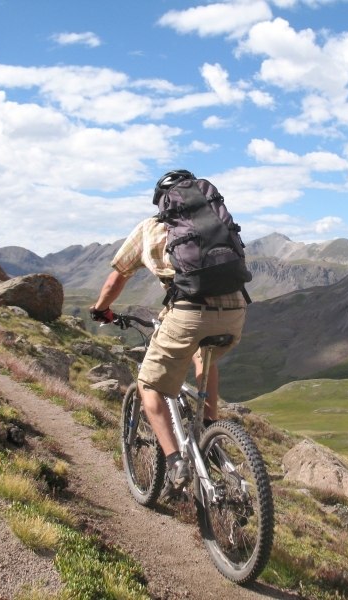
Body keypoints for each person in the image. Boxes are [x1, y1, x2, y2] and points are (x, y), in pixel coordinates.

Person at [90, 170, 246, 499]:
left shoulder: (151, 228)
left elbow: (116, 277)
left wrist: (101, 309)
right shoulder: (215, 224)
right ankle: (209, 430)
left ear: (162, 201)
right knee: (203, 355)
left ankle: (176, 463)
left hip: (189, 313)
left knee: (148, 385)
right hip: (235, 312)